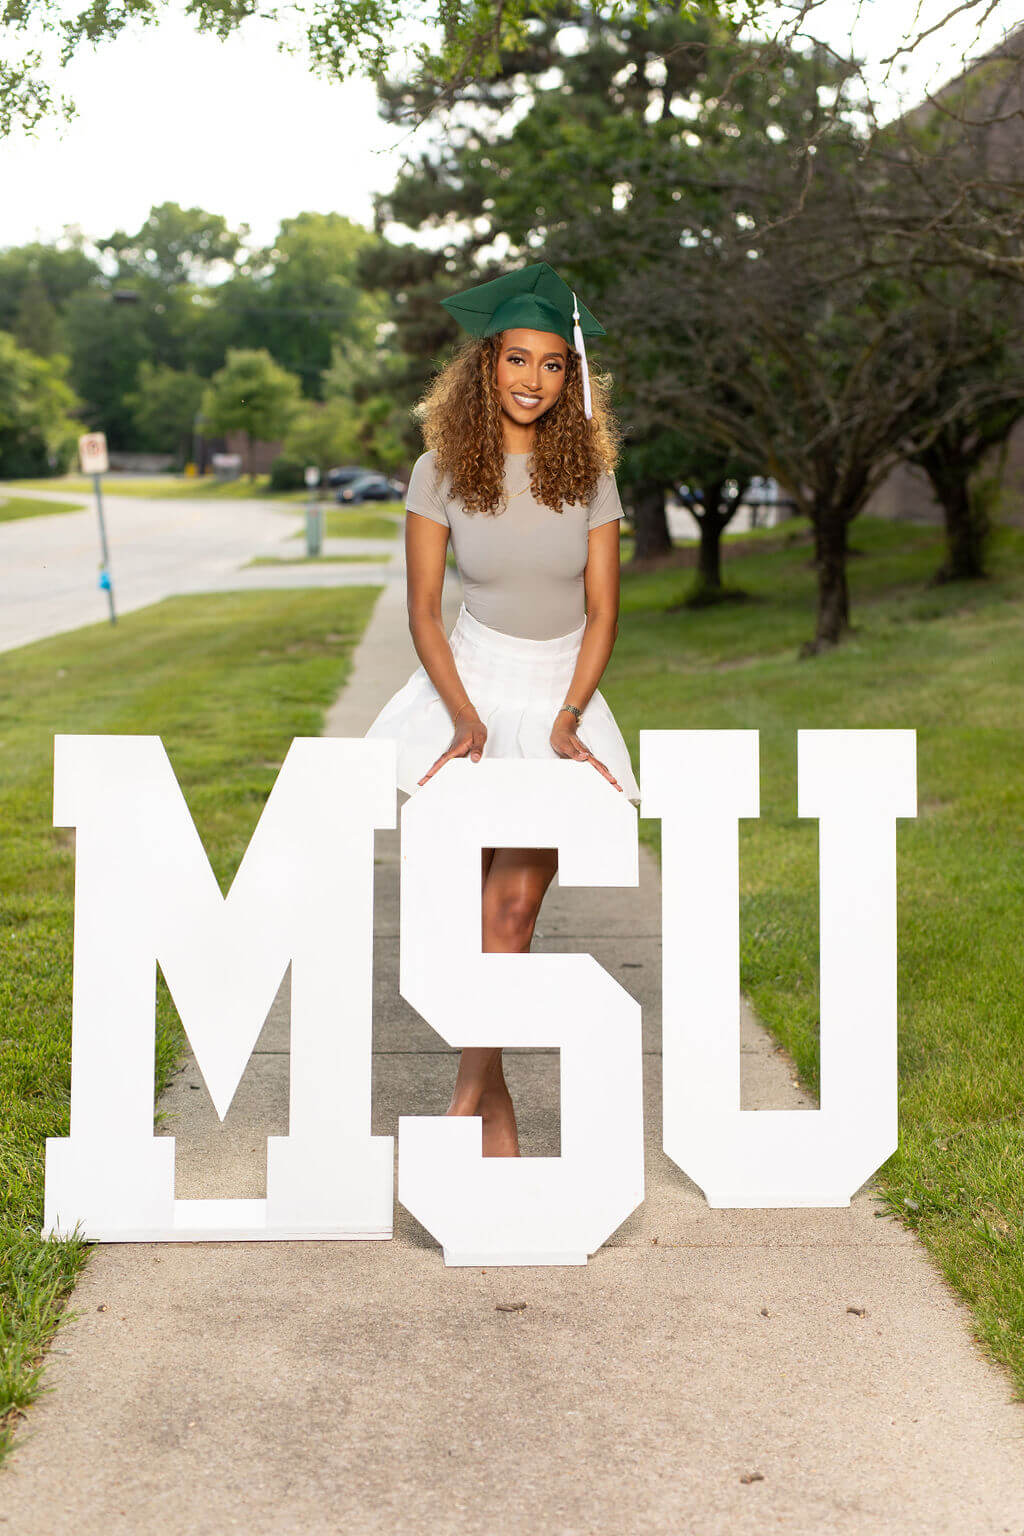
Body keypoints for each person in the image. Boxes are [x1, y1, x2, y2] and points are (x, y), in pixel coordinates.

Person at [365, 261, 641, 1159]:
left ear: (572, 378)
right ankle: (499, 1119)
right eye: (518, 360)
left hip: (562, 692)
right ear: (486, 368)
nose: (534, 379)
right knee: (475, 920)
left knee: (512, 912)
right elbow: (422, 610)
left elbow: (603, 612)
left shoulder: (589, 476)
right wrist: (462, 715)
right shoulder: (438, 471)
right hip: (471, 686)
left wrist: (569, 714)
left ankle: (464, 1102)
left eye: (554, 364)